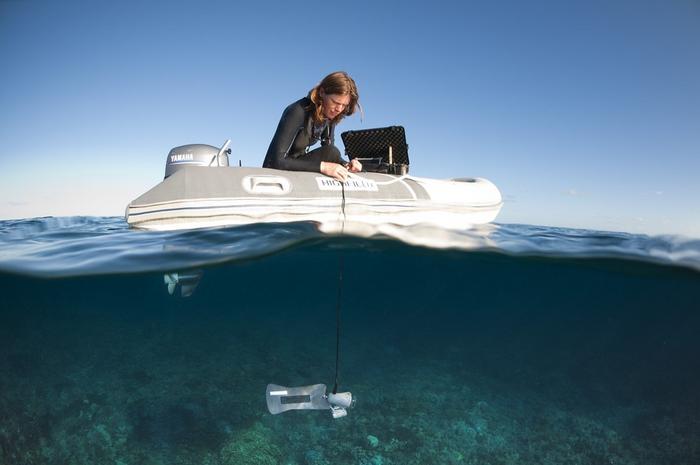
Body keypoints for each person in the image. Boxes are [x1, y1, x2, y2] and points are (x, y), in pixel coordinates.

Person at [263, 71, 362, 182]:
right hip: (277, 168)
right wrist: (323, 167)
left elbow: (330, 154)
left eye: (344, 105)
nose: (339, 109)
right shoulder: (298, 111)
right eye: (335, 102)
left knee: (332, 151)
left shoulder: (329, 117)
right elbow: (274, 161)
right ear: (322, 92)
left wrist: (346, 165)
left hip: (300, 167)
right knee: (332, 152)